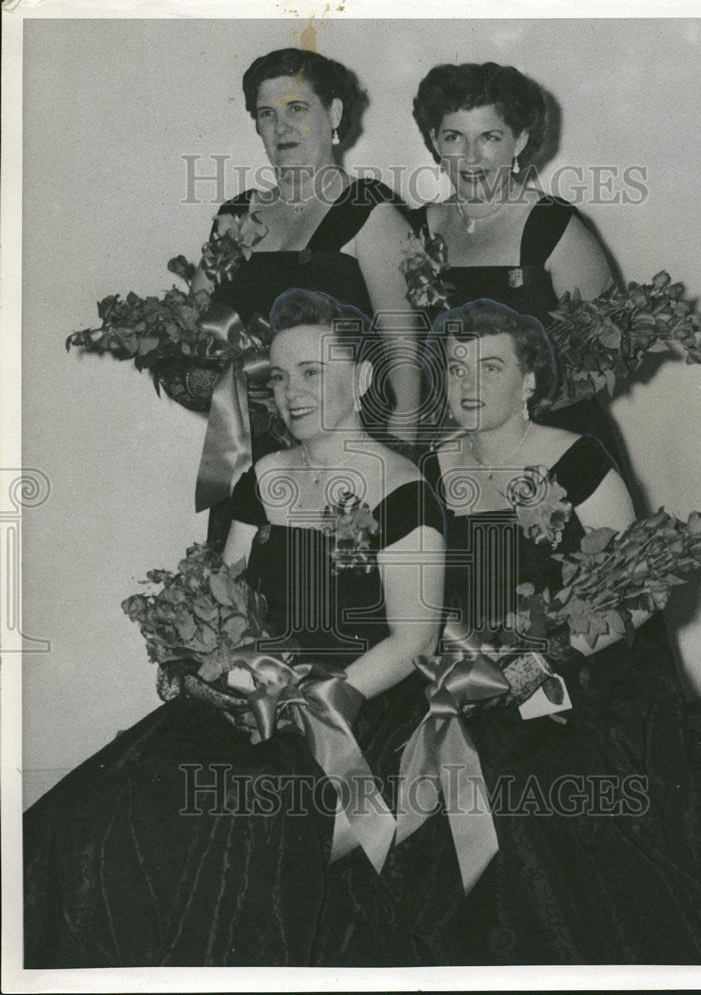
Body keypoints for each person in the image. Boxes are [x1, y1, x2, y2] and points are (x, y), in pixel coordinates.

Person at [316, 299, 701, 966]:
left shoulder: (579, 460)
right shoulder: (429, 473)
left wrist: (539, 662)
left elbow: (638, 590)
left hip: (577, 682)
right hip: (459, 673)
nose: (468, 384)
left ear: (531, 380)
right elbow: (424, 596)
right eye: (455, 368)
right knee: (371, 774)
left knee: (516, 780)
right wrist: (464, 656)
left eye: (490, 366)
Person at [22, 289, 445, 967]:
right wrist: (227, 667)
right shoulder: (264, 475)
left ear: (363, 379)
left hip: (359, 706)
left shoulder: (404, 489)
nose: (291, 392)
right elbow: (225, 592)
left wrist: (319, 700)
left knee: (239, 813)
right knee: (119, 798)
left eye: (312, 371)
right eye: (279, 376)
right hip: (254, 692)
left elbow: (414, 639)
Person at [194, 48, 423, 547]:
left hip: (347, 454)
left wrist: (395, 467)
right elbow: (197, 330)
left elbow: (407, 357)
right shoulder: (235, 216)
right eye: (266, 113)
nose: (281, 128)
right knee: (243, 603)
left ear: (334, 114)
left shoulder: (372, 212)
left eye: (297, 108)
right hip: (248, 449)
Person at [408, 62, 625, 460]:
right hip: (452, 453)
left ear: (519, 140)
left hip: (554, 449)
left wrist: (515, 417)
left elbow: (609, 355)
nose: (471, 157)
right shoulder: (417, 229)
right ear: (435, 142)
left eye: (490, 137)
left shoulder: (555, 228)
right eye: (454, 137)